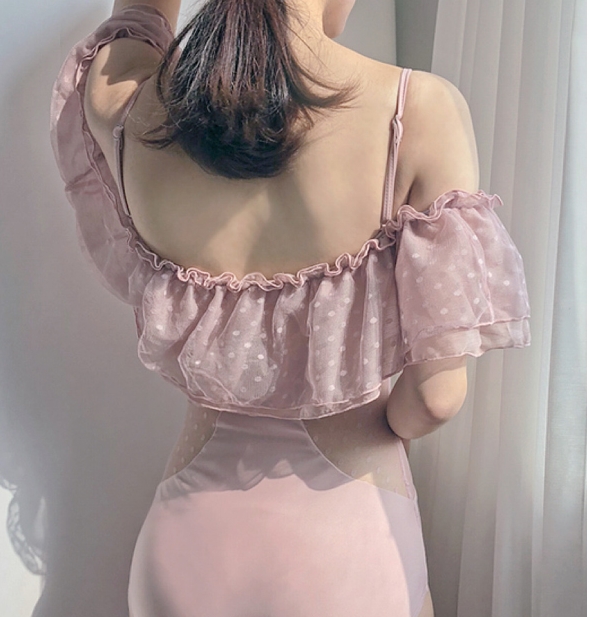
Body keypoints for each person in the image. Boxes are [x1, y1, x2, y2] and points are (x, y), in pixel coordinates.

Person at [50, 1, 531, 615]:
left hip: (186, 549)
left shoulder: (126, 101)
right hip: (347, 549)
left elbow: (138, 13)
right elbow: (436, 398)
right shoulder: (417, 110)